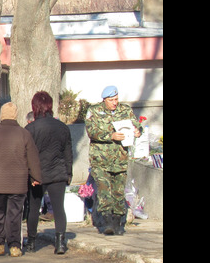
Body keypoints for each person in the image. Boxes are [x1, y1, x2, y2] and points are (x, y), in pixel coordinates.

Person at [0, 102, 42, 258]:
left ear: (2, 115)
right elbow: (33, 158)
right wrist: (36, 177)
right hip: (18, 183)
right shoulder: (24, 134)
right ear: (15, 115)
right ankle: (14, 246)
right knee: (15, 215)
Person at [84, 85, 143, 236]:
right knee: (105, 190)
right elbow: (92, 131)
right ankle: (107, 223)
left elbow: (135, 124)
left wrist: (138, 131)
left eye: (116, 99)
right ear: (104, 100)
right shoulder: (95, 110)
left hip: (120, 159)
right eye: (111, 100)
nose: (114, 103)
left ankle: (118, 223)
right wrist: (110, 136)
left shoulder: (125, 110)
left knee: (118, 192)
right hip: (101, 160)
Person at [24, 91, 74, 254]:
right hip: (58, 172)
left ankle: (31, 242)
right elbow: (68, 152)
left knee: (34, 208)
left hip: (37, 175)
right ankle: (60, 242)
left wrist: (29, 174)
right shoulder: (62, 127)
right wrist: (68, 173)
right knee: (59, 208)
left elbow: (26, 154)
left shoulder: (30, 129)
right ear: (50, 106)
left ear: (35, 107)